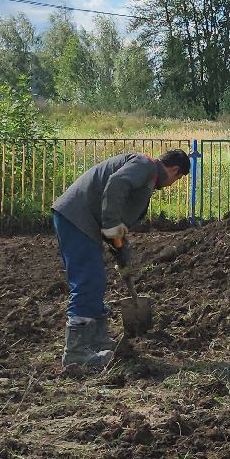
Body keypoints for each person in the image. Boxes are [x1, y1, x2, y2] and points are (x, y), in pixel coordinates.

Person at [50, 147, 190, 371]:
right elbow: (116, 185)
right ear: (175, 170)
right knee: (88, 281)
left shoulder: (146, 175)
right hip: (77, 218)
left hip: (81, 219)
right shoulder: (145, 165)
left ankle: (97, 340)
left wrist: (121, 250)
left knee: (96, 280)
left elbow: (117, 213)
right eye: (178, 179)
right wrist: (112, 226)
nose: (172, 184)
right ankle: (76, 352)